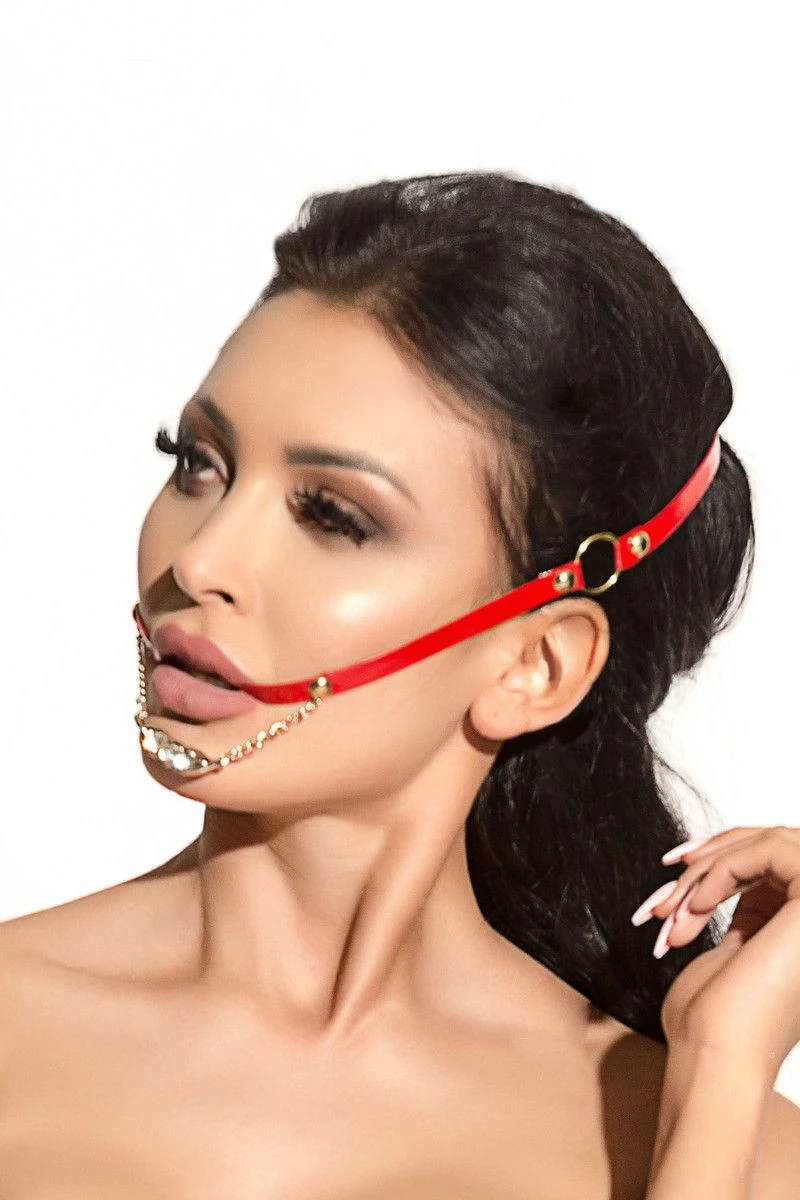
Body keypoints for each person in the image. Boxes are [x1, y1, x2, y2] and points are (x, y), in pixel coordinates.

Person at [1, 171, 798, 1198]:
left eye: (334, 517)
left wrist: (721, 1077)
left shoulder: (732, 1138)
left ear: (536, 664)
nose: (200, 562)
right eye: (199, 463)